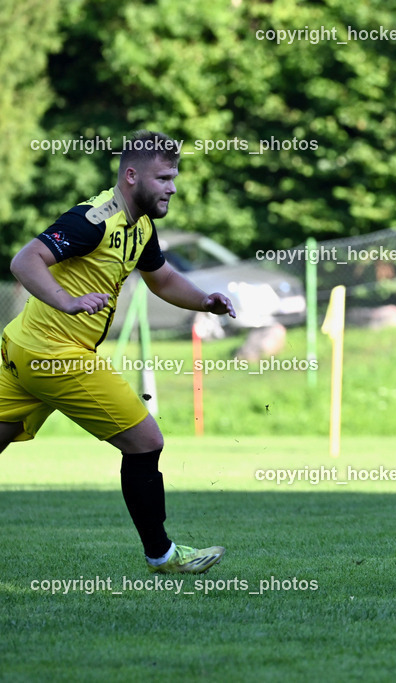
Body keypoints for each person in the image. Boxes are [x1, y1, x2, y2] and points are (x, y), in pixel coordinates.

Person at [0, 130, 235, 573]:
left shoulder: (140, 225)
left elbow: (161, 278)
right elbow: (25, 260)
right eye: (164, 177)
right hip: (57, 355)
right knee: (146, 441)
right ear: (131, 176)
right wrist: (66, 301)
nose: (173, 187)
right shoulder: (95, 219)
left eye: (174, 176)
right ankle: (162, 556)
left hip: (24, 349)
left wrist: (204, 300)